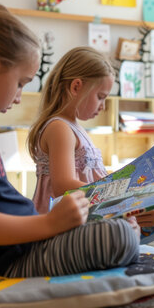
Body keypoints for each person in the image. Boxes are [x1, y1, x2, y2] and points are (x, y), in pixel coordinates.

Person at [0, 4, 139, 278]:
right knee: (120, 236)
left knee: (113, 229)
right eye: (20, 82)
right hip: (11, 255)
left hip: (10, 245)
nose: (19, 96)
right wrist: (50, 224)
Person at [27, 46, 113, 215]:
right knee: (122, 232)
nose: (103, 106)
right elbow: (63, 186)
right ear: (76, 87)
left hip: (80, 216)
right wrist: (112, 192)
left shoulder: (74, 128)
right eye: (100, 97)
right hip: (60, 222)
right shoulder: (59, 128)